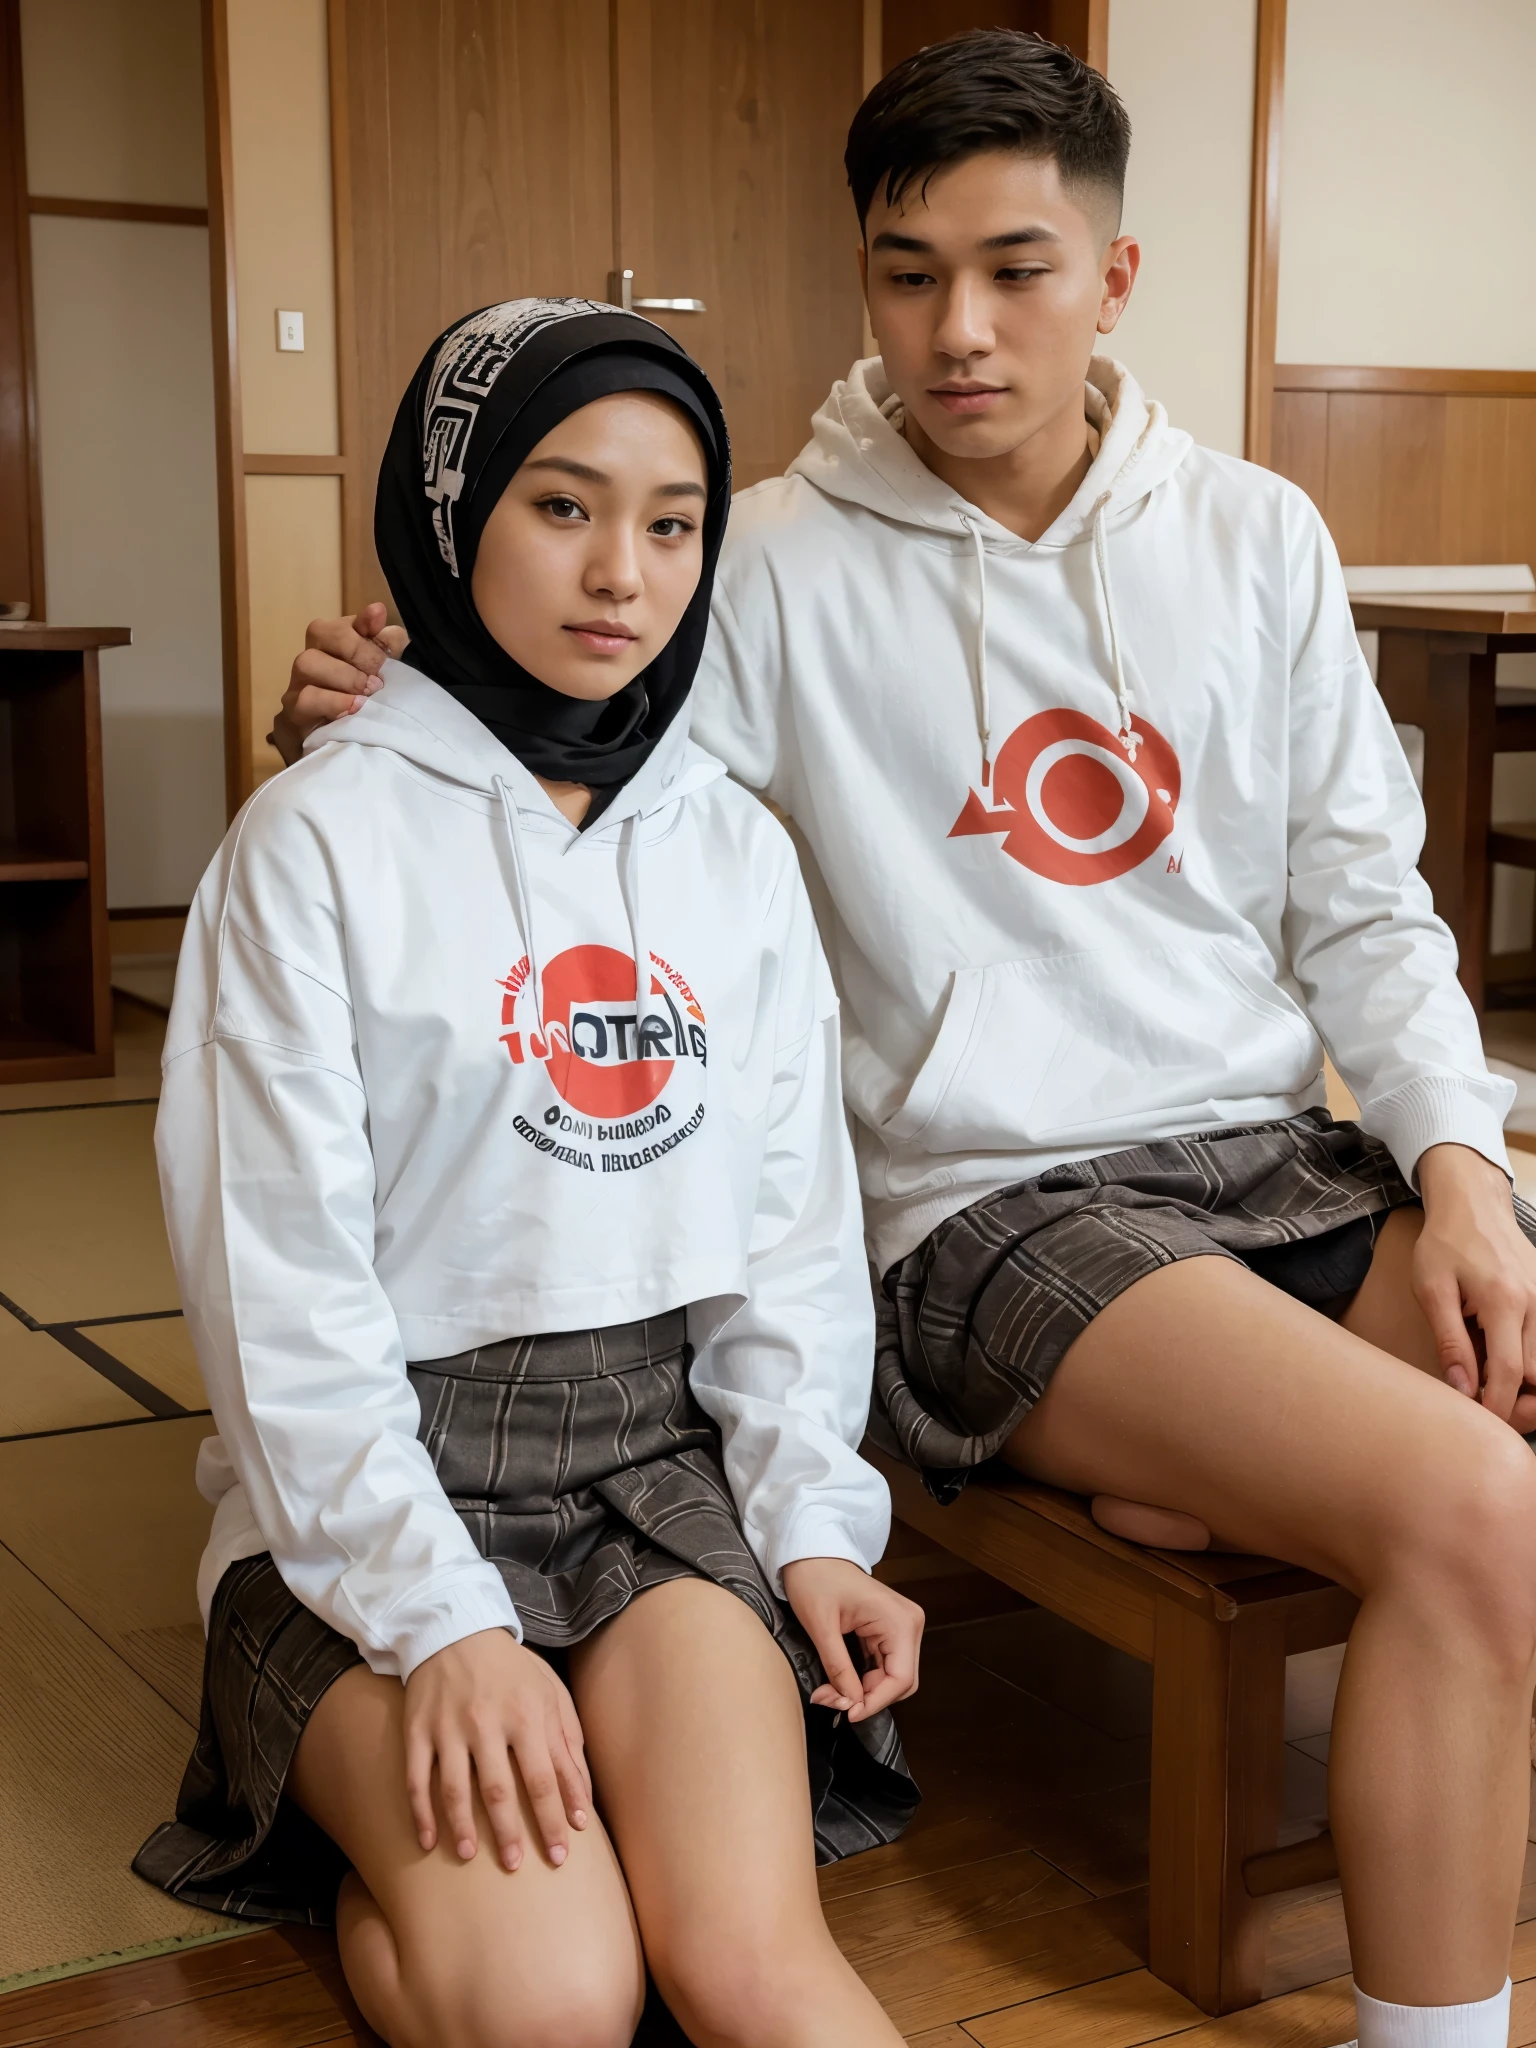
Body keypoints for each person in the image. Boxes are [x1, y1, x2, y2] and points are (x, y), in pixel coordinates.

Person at [275, 33, 1536, 2048]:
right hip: (991, 1206)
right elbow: (561, 764)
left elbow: (1365, 909)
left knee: (1509, 1388)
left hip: (1272, 1156)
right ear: (859, 276)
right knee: (1473, 1498)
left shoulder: (1257, 540)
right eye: (905, 269)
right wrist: (379, 700)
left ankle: (1216, 1481)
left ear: (1116, 281)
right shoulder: (758, 559)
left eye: (1018, 268)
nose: (958, 329)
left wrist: (1462, 1174)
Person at [136, 299, 924, 2048]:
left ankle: (479, 1862)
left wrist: (811, 1522)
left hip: (652, 1465)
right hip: (360, 1503)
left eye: (671, 522)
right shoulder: (310, 844)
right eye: (560, 506)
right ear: (451, 510)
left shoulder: (730, 847)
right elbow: (279, 1294)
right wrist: (443, 1629)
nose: (620, 575)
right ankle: (383, 1884)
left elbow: (790, 1242)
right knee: (561, 1996)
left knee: (745, 1965)